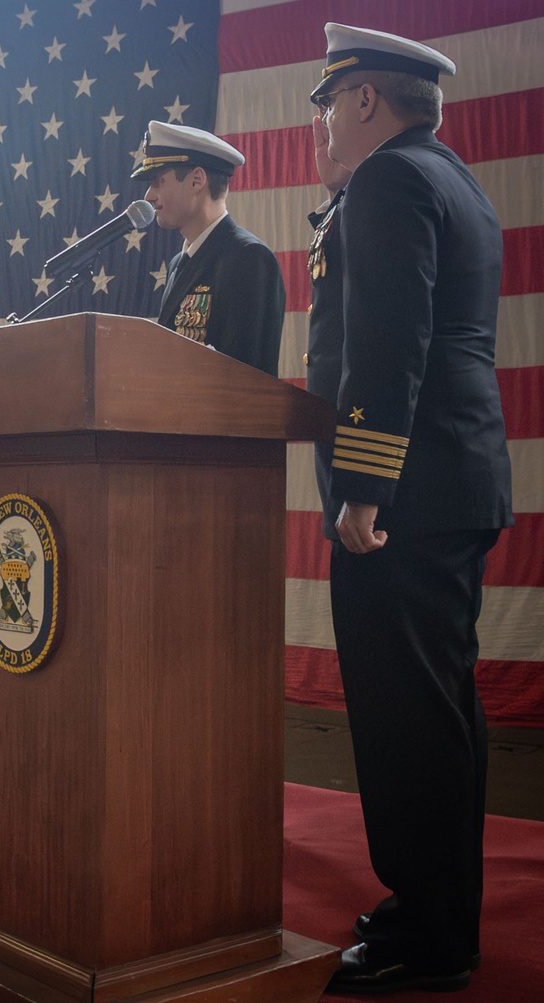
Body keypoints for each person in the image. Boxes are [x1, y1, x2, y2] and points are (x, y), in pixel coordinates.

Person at [304, 23, 513, 994]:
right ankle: (434, 902)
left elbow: (389, 345)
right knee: (440, 713)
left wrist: (362, 487)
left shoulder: (390, 180)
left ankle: (431, 937)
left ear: (361, 101)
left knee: (405, 718)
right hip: (452, 485)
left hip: (404, 496)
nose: (318, 131)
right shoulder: (454, 178)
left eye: (324, 108)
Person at [131, 120, 285, 376]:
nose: (148, 195)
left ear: (196, 181)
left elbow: (246, 377)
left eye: (159, 181)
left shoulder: (248, 258)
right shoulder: (179, 263)